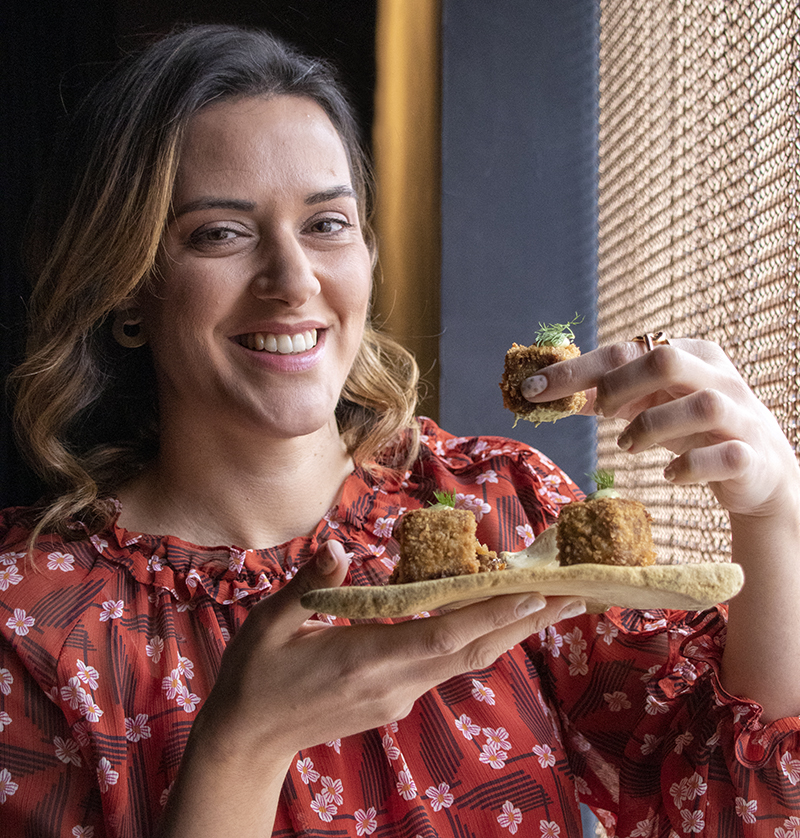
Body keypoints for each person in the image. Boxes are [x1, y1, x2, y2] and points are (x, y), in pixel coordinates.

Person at [1, 23, 799, 838]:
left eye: (326, 224)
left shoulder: (502, 509)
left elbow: (737, 810)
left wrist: (773, 514)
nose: (294, 280)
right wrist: (241, 747)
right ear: (129, 289)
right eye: (221, 234)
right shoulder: (33, 618)